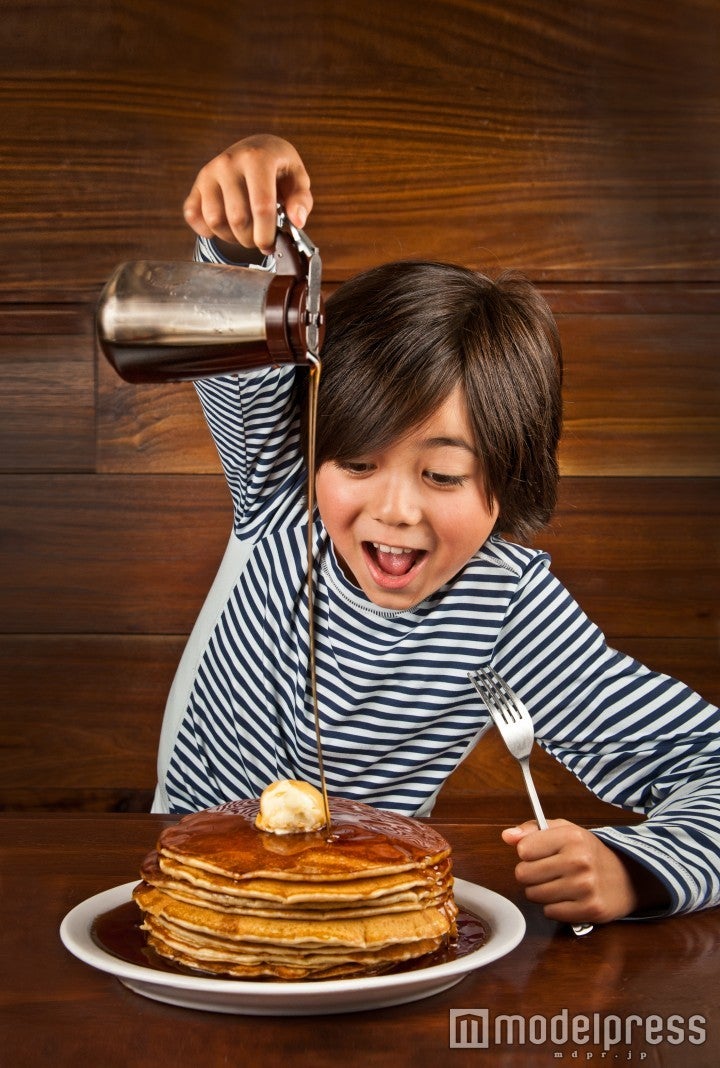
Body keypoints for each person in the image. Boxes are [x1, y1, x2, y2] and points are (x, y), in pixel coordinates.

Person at [152, 134, 719, 927]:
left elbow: (708, 763)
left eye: (443, 475)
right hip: (185, 877)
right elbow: (238, 338)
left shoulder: (510, 610)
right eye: (356, 462)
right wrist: (243, 237)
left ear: (508, 478)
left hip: (360, 911)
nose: (394, 510)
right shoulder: (279, 488)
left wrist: (636, 868)